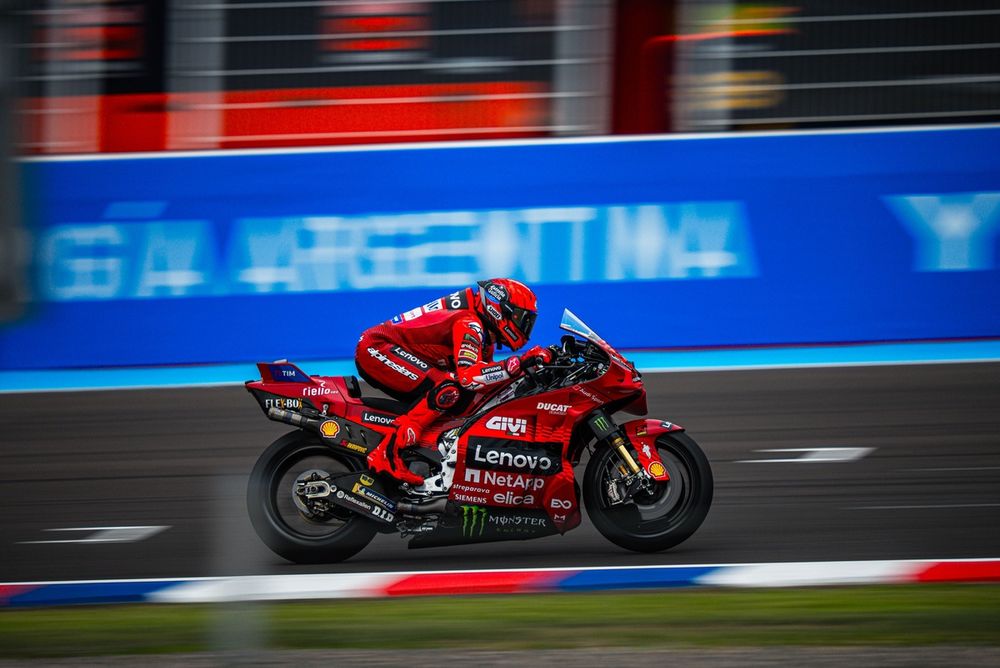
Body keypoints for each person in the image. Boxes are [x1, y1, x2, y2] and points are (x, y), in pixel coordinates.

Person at [355, 278, 551, 485]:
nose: (525, 326)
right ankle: (386, 454)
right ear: (499, 310)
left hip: (386, 348)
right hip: (377, 348)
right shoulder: (470, 323)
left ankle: (426, 452)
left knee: (463, 397)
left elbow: (484, 380)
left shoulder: (482, 331)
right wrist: (518, 364)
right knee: (448, 389)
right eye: (522, 318)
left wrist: (526, 370)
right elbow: (468, 378)